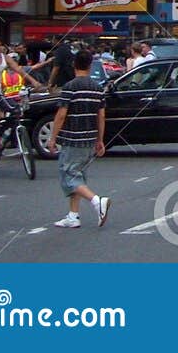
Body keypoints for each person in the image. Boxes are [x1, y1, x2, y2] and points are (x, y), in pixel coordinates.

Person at [46, 50, 110, 229]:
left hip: (72, 138)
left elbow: (61, 114)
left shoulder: (70, 87)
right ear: (90, 65)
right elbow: (101, 116)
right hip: (90, 137)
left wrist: (52, 138)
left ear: (74, 64)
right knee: (78, 175)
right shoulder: (97, 88)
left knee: (69, 175)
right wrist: (100, 139)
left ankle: (97, 201)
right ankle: (73, 215)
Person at [0, 38, 41, 170]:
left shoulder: (5, 58)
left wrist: (33, 82)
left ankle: (0, 136)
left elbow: (19, 70)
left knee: (16, 111)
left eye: (0, 45)